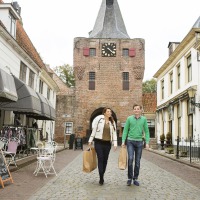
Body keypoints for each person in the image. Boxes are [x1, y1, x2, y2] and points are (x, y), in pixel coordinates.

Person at [122, 104, 150, 186]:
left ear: (141, 110)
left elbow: (147, 131)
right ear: (133, 110)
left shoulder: (144, 119)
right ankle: (129, 178)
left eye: (138, 109)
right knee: (130, 159)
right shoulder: (129, 119)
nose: (136, 110)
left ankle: (135, 178)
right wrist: (123, 141)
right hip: (130, 141)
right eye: (135, 109)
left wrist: (147, 142)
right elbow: (125, 130)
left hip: (139, 142)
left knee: (137, 162)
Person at [88, 107, 117, 185]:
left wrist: (115, 143)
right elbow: (94, 130)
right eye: (108, 111)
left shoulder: (112, 122)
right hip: (98, 142)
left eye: (110, 112)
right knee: (100, 158)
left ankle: (102, 174)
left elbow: (114, 133)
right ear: (104, 113)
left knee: (105, 160)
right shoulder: (99, 120)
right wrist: (90, 140)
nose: (110, 113)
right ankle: (101, 177)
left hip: (107, 144)